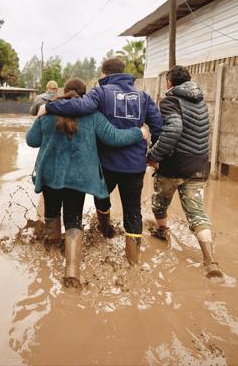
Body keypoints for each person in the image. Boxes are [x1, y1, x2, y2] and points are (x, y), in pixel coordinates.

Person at [26, 78, 149, 287]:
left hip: (50, 175)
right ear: (85, 96)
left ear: (64, 92)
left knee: (52, 213)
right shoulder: (93, 116)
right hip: (78, 177)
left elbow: (31, 141)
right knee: (73, 219)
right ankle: (72, 271)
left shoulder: (47, 114)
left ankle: (50, 255)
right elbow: (114, 138)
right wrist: (140, 132)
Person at [39, 58, 162, 265]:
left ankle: (104, 228)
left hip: (107, 164)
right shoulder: (143, 96)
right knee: (133, 211)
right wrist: (154, 157)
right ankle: (133, 263)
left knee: (102, 198)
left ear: (104, 74)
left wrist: (50, 108)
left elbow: (80, 106)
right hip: (135, 166)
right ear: (124, 73)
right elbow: (158, 126)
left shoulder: (100, 92)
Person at [146, 65, 223, 278]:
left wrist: (154, 155)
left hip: (174, 164)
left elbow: (173, 129)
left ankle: (162, 232)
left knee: (160, 203)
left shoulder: (170, 100)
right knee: (198, 214)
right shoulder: (200, 101)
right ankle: (210, 261)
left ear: (169, 83)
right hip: (199, 166)